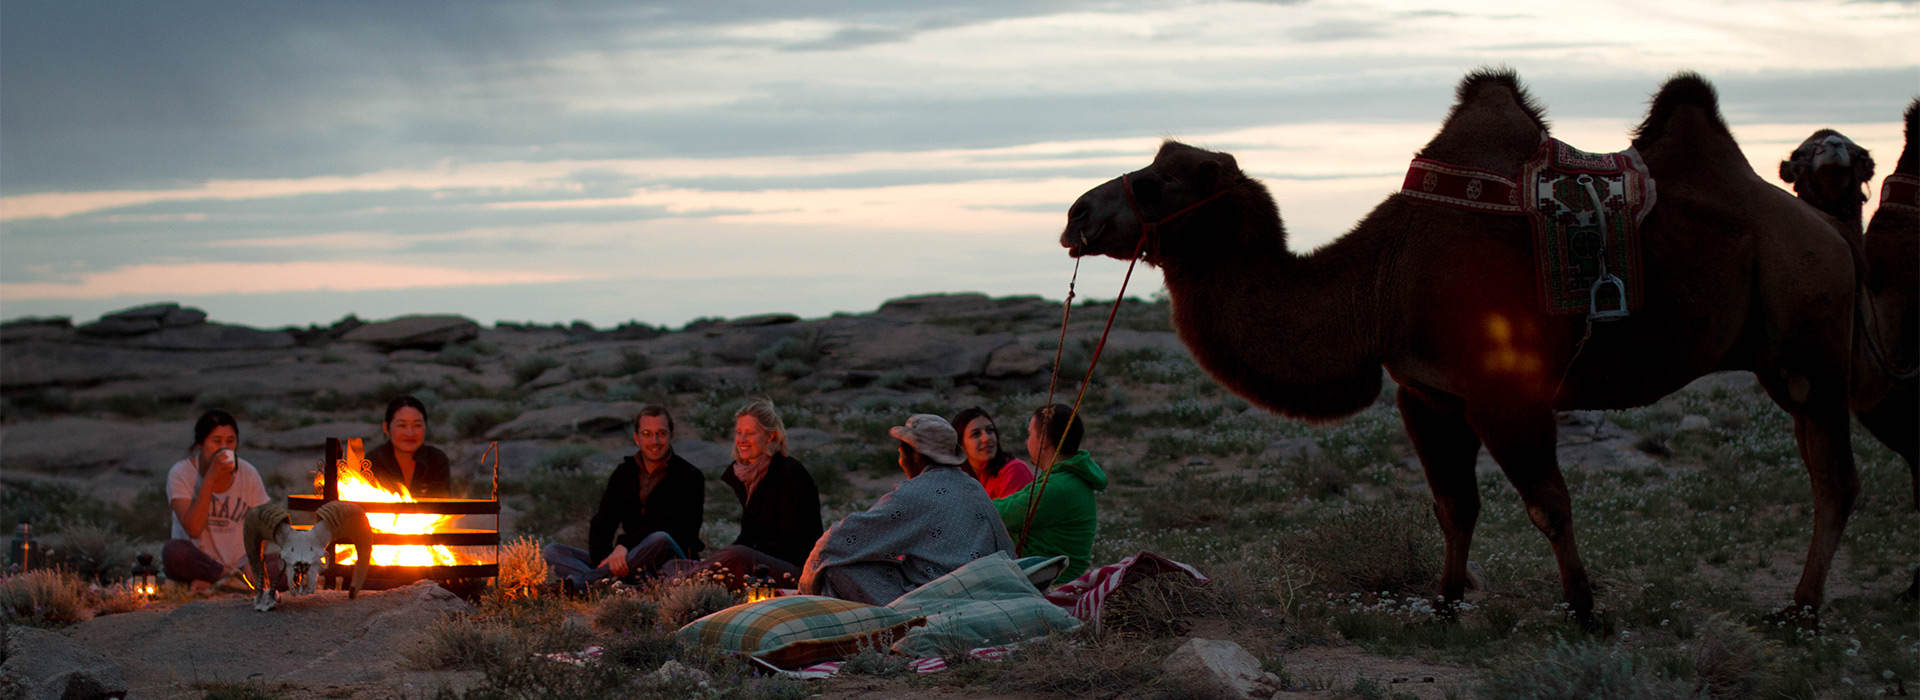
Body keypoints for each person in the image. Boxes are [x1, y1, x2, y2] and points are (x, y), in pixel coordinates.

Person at [800, 414, 1016, 605]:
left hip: (938, 602)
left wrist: (806, 589)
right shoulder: (972, 485)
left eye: (901, 450)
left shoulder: (915, 493)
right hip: (988, 591)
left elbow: (837, 541)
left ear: (915, 454)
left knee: (834, 565)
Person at [541, 406, 705, 591]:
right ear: (637, 438)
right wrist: (604, 559)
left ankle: (585, 584)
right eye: (647, 433)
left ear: (671, 436)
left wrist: (624, 546)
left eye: (661, 433)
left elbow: (669, 523)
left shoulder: (689, 476)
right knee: (552, 550)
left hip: (670, 559)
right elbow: (603, 521)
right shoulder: (624, 473)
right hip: (631, 560)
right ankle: (606, 581)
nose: (655, 441)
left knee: (660, 538)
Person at [677, 399, 821, 590]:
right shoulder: (749, 475)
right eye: (739, 433)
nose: (742, 440)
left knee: (737, 556)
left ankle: (673, 586)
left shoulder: (790, 473)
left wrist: (743, 553)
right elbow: (749, 534)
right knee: (681, 562)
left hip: (795, 569)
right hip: (761, 561)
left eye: (750, 433)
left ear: (770, 436)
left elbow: (793, 542)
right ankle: (679, 579)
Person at [994, 403, 1108, 583]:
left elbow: (1003, 513)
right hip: (1043, 573)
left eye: (1030, 434)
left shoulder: (1058, 488)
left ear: (1044, 441)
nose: (1026, 441)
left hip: (1053, 583)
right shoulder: (1064, 479)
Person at [164, 409, 274, 593]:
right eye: (216, 441)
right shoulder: (181, 473)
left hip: (242, 566)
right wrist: (210, 479)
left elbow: (262, 525)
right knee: (173, 552)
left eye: (230, 441)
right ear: (200, 443)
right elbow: (193, 529)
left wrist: (254, 560)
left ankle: (224, 586)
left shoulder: (248, 473)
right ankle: (229, 582)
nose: (224, 448)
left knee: (291, 563)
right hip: (202, 565)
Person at [366, 395, 452, 498]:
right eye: (402, 425)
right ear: (386, 428)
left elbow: (441, 504)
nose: (410, 433)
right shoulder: (374, 461)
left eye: (417, 425)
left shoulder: (436, 460)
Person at [950, 407, 1036, 499]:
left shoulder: (1014, 470)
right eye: (976, 434)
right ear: (961, 444)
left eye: (990, 430)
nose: (986, 438)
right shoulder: (957, 477)